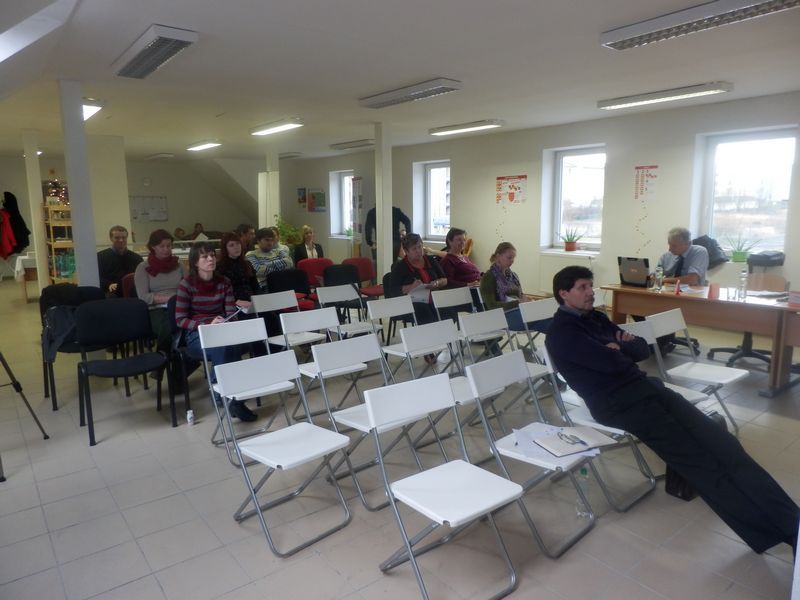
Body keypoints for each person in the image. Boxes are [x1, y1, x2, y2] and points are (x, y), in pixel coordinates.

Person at [545, 265, 798, 556]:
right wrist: (619, 348)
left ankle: (793, 523)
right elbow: (613, 364)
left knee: (723, 444)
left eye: (591, 285)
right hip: (617, 404)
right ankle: (786, 533)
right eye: (582, 287)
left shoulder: (597, 318)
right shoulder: (562, 333)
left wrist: (618, 347)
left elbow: (642, 351)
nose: (591, 292)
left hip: (646, 388)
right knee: (702, 462)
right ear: (564, 294)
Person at [176, 241, 256, 422]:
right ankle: (230, 398)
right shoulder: (186, 285)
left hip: (221, 329)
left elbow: (230, 312)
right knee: (224, 347)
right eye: (205, 257)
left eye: (212, 255)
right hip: (197, 334)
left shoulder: (224, 282)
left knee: (234, 343)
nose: (211, 259)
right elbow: (180, 319)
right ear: (195, 262)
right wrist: (206, 324)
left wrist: (228, 322)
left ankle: (227, 395)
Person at [134, 229, 185, 351]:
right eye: (162, 246)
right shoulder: (143, 267)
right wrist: (170, 299)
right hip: (156, 309)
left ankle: (176, 357)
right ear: (153, 247)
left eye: (169, 246)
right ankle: (164, 358)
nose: (166, 249)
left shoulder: (179, 265)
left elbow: (189, 287)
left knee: (186, 324)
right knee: (168, 327)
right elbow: (143, 297)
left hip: (179, 306)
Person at [389, 233, 446, 333]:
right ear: (406, 251)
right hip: (411, 302)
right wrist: (411, 287)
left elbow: (445, 279)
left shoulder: (430, 260)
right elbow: (393, 290)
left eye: (420, 247)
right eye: (414, 249)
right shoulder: (400, 267)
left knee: (447, 310)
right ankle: (432, 337)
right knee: (425, 311)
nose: (418, 251)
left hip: (433, 297)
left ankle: (444, 336)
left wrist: (436, 283)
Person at [480, 242, 543, 332]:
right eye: (509, 258)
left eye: (513, 258)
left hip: (518, 312)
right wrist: (518, 303)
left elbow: (520, 295)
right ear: (498, 256)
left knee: (547, 318)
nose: (512, 261)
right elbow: (491, 306)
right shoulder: (488, 277)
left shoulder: (513, 276)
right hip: (502, 317)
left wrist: (528, 300)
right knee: (544, 319)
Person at [96, 225, 142, 296]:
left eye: (124, 237)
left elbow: (142, 276)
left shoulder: (137, 258)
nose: (121, 240)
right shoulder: (100, 257)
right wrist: (108, 284)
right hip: (111, 292)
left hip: (132, 291)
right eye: (117, 238)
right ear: (111, 239)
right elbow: (97, 276)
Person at [246, 227, 293, 292]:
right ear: (258, 240)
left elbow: (290, 263)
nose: (270, 243)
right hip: (264, 288)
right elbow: (258, 270)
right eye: (267, 240)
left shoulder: (279, 251)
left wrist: (265, 265)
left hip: (283, 285)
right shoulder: (251, 254)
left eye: (272, 240)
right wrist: (280, 270)